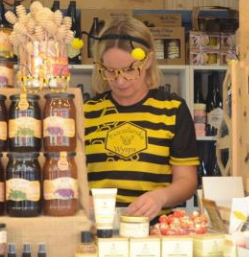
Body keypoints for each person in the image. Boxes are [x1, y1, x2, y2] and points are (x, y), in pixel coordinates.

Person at [84, 18, 199, 219]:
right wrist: (82, 199)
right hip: (96, 228)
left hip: (156, 232)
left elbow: (187, 181)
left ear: (148, 60)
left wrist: (161, 197)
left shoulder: (173, 110)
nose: (119, 81)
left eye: (129, 69)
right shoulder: (86, 112)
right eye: (110, 71)